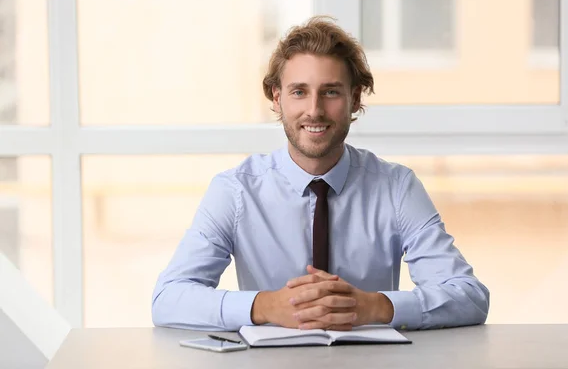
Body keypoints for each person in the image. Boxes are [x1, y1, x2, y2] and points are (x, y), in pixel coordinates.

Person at [152, 16, 490, 332]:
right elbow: (168, 299)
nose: (314, 110)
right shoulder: (236, 191)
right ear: (277, 98)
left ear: (354, 98)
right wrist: (265, 306)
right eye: (299, 91)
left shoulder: (396, 187)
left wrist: (377, 307)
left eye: (330, 92)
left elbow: (470, 296)